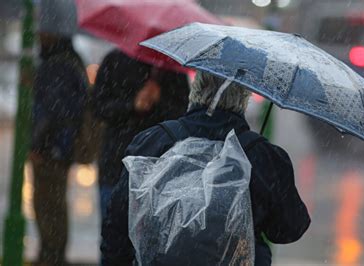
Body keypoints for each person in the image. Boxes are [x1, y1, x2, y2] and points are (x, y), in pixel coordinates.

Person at [101, 71, 311, 265]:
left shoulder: (154, 142)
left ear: (195, 90)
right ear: (244, 99)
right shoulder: (262, 157)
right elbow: (289, 228)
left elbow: (119, 220)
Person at [91, 49, 190, 219]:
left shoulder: (171, 69)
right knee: (112, 231)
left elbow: (182, 115)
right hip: (116, 164)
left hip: (157, 169)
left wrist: (159, 101)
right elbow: (98, 107)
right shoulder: (115, 60)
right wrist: (132, 105)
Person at [30, 32, 87, 266]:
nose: (38, 36)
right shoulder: (69, 60)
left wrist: (39, 144)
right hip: (60, 146)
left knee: (48, 205)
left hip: (52, 148)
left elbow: (51, 110)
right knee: (53, 203)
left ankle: (51, 257)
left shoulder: (56, 65)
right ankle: (52, 255)